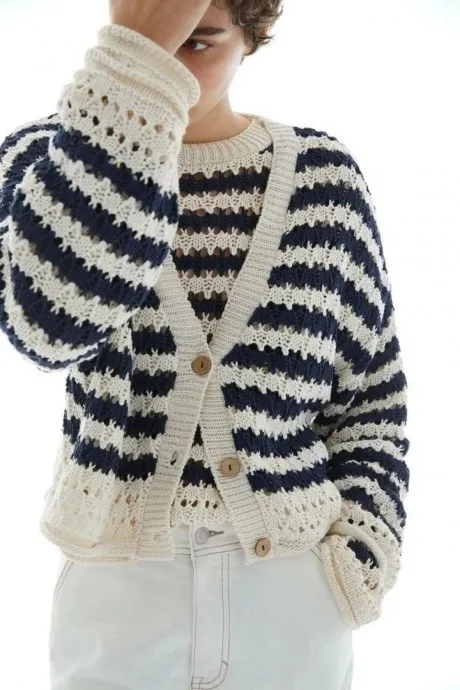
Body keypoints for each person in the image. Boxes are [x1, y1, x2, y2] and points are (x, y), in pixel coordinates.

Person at [0, 0, 411, 688]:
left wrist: (363, 553)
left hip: (290, 591)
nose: (169, 67)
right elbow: (49, 330)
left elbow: (371, 394)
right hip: (119, 591)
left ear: (250, 35)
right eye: (150, 39)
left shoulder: (324, 180)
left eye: (199, 43)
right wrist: (131, 88)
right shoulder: (48, 165)